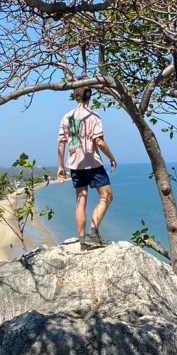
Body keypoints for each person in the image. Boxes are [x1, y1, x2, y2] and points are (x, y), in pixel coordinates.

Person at [57, 87, 118, 248]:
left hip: (74, 165)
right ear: (89, 97)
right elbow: (99, 142)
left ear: (75, 96)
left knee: (81, 200)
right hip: (92, 163)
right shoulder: (93, 116)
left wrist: (61, 166)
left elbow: (62, 143)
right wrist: (112, 157)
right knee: (106, 197)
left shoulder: (66, 117)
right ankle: (93, 232)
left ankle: (82, 241)